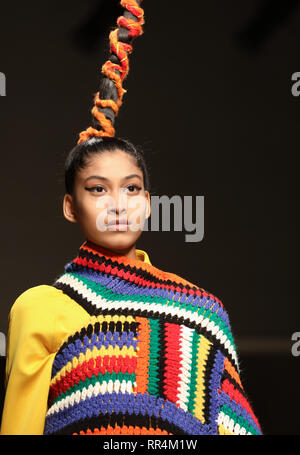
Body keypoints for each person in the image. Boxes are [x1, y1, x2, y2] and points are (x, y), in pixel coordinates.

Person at [0, 1, 262, 435]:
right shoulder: (41, 309)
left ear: (148, 202)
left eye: (132, 188)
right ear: (70, 207)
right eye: (97, 189)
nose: (118, 204)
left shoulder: (203, 312)